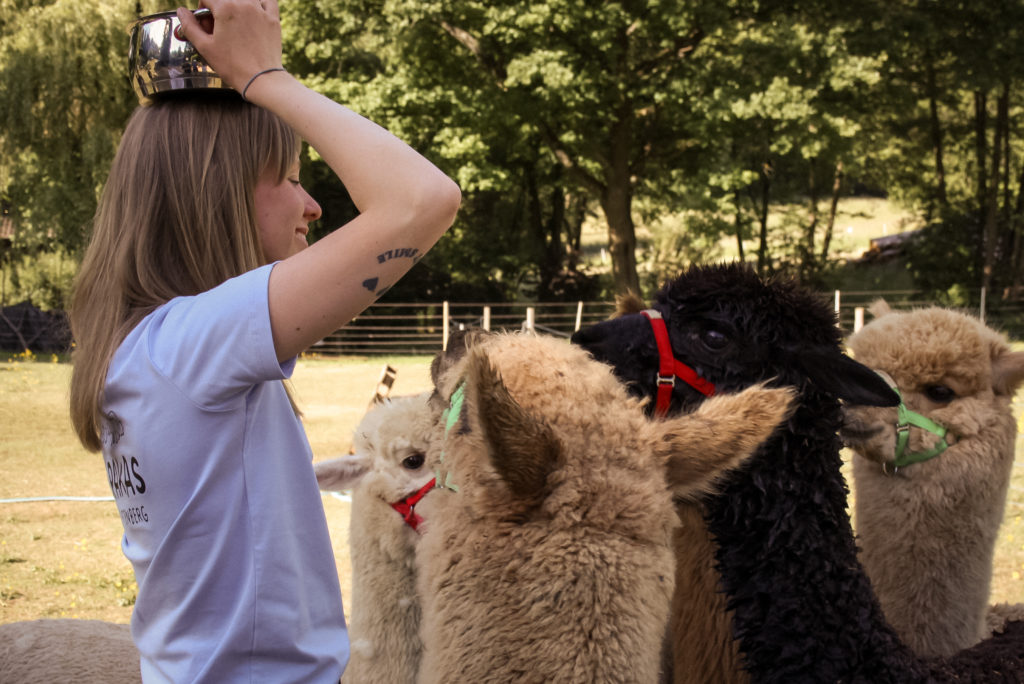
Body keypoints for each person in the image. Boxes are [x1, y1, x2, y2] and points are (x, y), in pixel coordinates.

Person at [67, 0, 461, 681]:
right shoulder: (191, 345)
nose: (312, 205)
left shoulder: (148, 351)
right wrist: (264, 79)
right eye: (291, 177)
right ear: (216, 193)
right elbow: (422, 200)